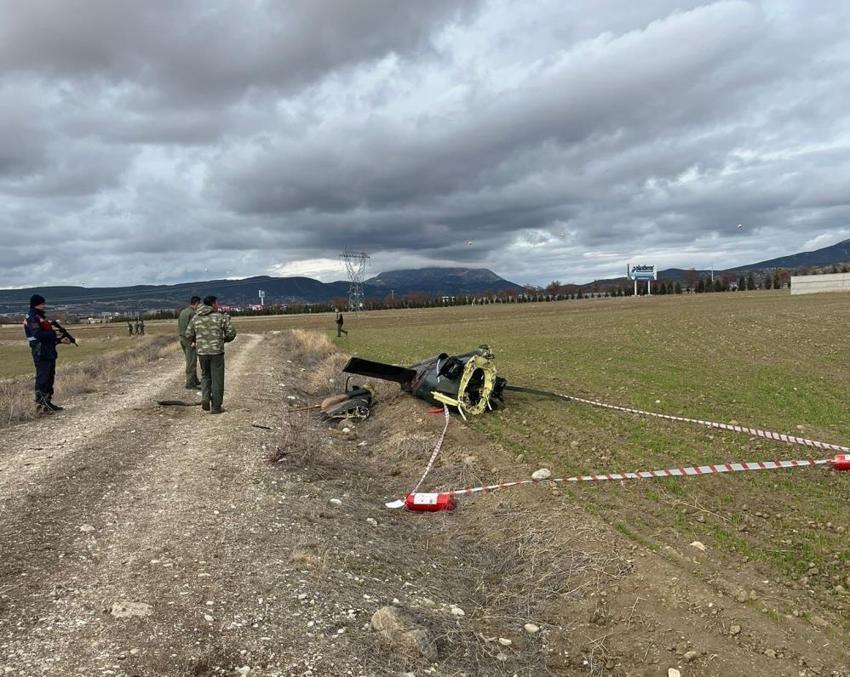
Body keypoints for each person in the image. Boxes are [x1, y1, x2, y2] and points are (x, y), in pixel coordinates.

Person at [186, 295, 237, 414]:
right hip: (216, 352)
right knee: (217, 378)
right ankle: (216, 406)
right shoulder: (220, 317)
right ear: (213, 304)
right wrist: (222, 340)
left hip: (202, 353)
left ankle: (205, 398)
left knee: (205, 376)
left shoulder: (196, 317)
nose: (218, 305)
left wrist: (198, 340)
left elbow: (188, 333)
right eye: (217, 303)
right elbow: (232, 333)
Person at [23, 294, 71, 413]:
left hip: (48, 351)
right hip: (41, 352)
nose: (45, 306)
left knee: (49, 377)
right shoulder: (32, 317)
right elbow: (38, 335)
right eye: (43, 303)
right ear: (37, 304)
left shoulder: (40, 317)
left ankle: (47, 403)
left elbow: (47, 337)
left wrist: (59, 340)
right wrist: (54, 335)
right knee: (43, 378)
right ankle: (41, 406)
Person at [178, 296, 202, 389]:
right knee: (191, 362)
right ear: (196, 303)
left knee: (190, 360)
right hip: (189, 340)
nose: (199, 306)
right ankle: (190, 383)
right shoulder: (192, 313)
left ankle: (194, 380)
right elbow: (193, 328)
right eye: (199, 304)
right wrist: (194, 340)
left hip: (182, 338)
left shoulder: (183, 311)